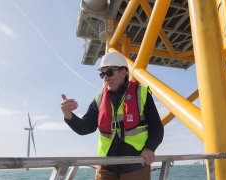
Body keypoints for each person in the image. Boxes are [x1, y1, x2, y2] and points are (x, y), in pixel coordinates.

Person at [61, 52, 164, 180]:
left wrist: (150, 148)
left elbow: (157, 127)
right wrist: (68, 115)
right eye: (102, 74)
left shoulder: (142, 94)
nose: (105, 78)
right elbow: (85, 128)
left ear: (123, 72)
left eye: (109, 73)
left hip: (135, 167)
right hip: (105, 169)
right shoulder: (99, 100)